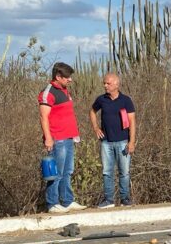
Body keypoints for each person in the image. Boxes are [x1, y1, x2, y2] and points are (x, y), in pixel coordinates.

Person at [38, 62, 87, 213]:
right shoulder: (48, 92)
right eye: (67, 77)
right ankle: (52, 203)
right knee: (56, 172)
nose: (70, 80)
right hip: (57, 138)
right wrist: (48, 138)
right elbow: (43, 116)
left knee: (67, 171)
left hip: (68, 137)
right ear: (58, 77)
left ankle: (67, 200)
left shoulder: (64, 90)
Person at [89, 73, 136, 207]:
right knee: (107, 172)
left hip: (123, 142)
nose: (105, 86)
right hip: (106, 142)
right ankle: (108, 200)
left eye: (108, 83)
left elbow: (132, 121)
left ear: (116, 84)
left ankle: (125, 199)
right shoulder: (101, 99)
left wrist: (131, 141)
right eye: (104, 83)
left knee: (124, 172)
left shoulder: (126, 100)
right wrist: (96, 128)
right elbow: (92, 112)